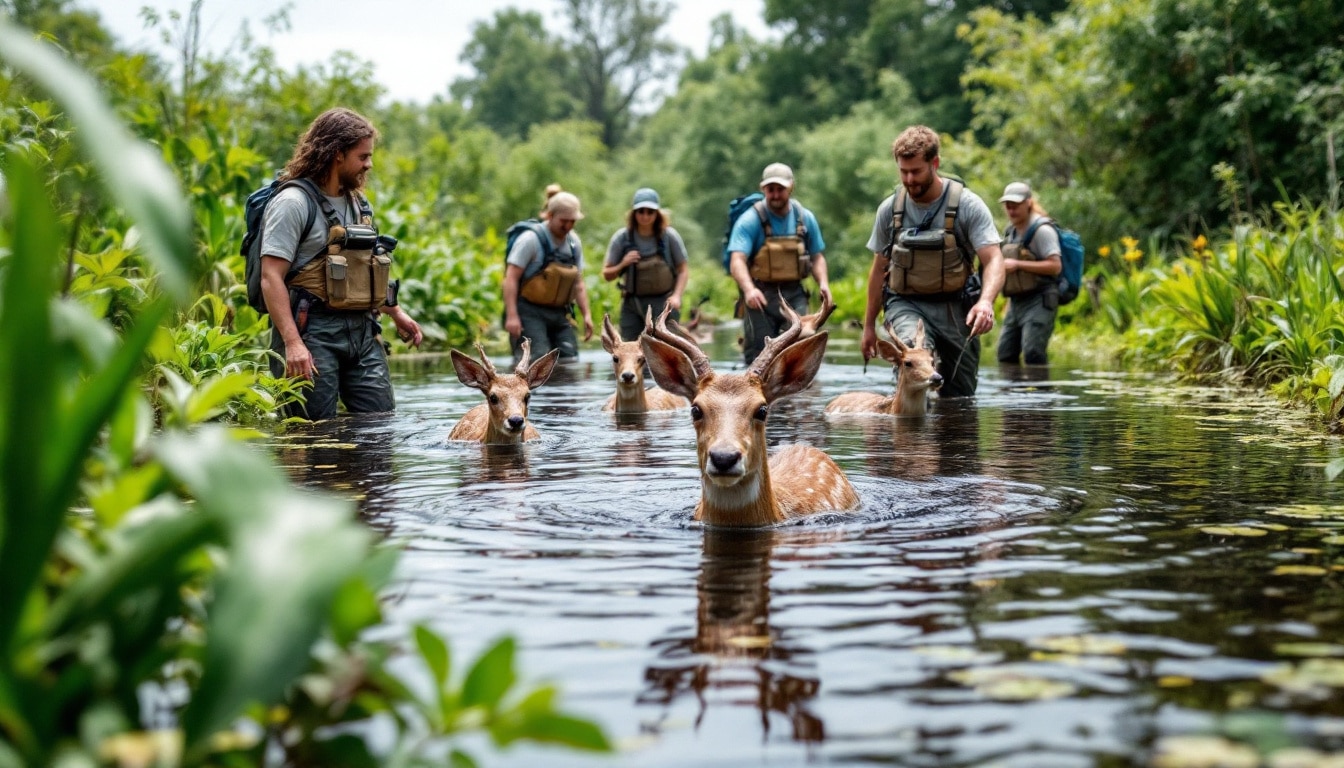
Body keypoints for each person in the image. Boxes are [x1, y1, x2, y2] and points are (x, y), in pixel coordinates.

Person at [259, 107, 423, 421]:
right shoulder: (293, 204)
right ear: (337, 154)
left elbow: (365, 269)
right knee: (312, 432)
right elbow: (270, 277)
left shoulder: (359, 204)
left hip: (363, 332)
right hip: (311, 333)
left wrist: (397, 313)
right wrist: (293, 344)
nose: (369, 164)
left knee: (379, 428)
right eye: (363, 157)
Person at [859, 125, 1004, 398]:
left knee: (959, 398)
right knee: (913, 354)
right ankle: (909, 439)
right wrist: (868, 327)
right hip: (905, 303)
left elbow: (994, 258)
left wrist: (986, 302)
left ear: (934, 163)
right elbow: (879, 271)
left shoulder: (968, 206)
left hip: (955, 307)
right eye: (903, 172)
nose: (909, 179)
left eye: (916, 171)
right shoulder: (890, 209)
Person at [726, 162, 833, 365]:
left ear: (791, 186)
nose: (775, 195)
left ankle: (803, 396)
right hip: (760, 296)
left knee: (800, 352)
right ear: (763, 189)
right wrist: (749, 290)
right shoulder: (750, 220)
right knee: (759, 357)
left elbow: (817, 256)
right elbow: (737, 260)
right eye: (770, 190)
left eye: (780, 189)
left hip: (795, 295)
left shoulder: (805, 219)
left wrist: (824, 284)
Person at [502, 185, 595, 362]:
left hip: (559, 312)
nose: (568, 226)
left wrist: (587, 315)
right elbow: (511, 278)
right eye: (563, 221)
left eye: (572, 221)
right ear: (550, 216)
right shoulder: (530, 240)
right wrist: (512, 316)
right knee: (536, 359)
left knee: (569, 359)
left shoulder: (574, 242)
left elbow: (578, 283)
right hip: (529, 311)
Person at [601, 187, 690, 342]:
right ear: (634, 213)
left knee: (666, 351)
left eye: (650, 212)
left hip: (664, 303)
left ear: (657, 214)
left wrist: (677, 296)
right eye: (640, 211)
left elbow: (682, 270)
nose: (645, 216)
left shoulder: (669, 237)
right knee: (629, 350)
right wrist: (623, 263)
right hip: (632, 304)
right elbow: (607, 274)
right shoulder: (622, 238)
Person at [996, 182, 1062, 365]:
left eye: (1016, 205)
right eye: (1008, 205)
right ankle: (1013, 393)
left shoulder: (1043, 231)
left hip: (1040, 299)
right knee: (1005, 353)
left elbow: (1055, 266)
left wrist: (1018, 264)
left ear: (1029, 203)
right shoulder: (1010, 232)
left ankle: (1040, 393)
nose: (1011, 209)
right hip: (1016, 301)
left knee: (1033, 353)